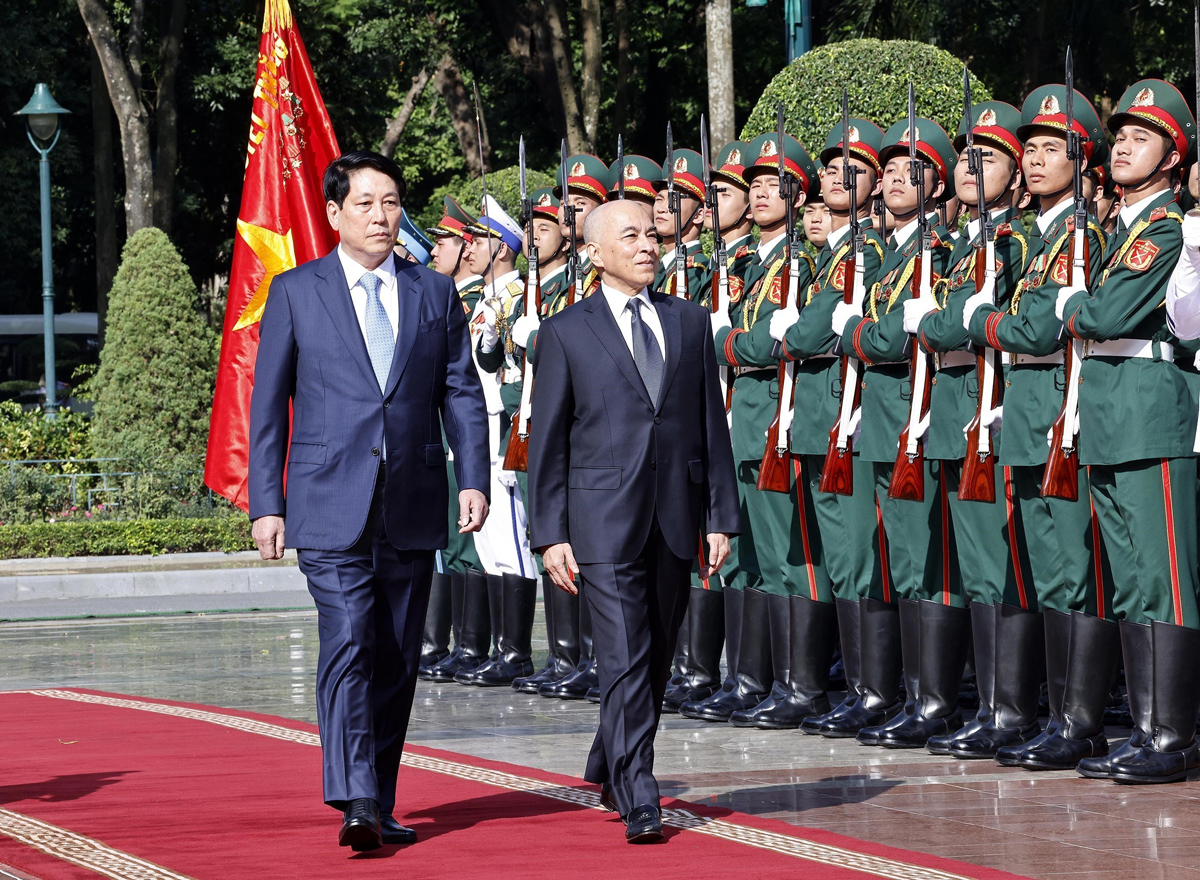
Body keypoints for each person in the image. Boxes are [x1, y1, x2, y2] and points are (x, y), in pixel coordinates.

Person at [248, 150, 490, 850]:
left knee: (396, 657)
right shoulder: (297, 291)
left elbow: (460, 391)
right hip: (327, 501)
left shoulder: (432, 291)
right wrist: (267, 503)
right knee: (351, 638)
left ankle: (378, 800)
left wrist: (472, 478)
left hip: (412, 499)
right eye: (365, 203)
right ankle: (354, 796)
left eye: (390, 202)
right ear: (334, 213)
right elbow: (268, 406)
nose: (381, 216)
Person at [528, 199, 739, 842]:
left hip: (675, 513)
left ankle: (607, 755)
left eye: (652, 234)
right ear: (594, 253)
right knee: (623, 652)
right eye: (631, 236)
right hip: (600, 518)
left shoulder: (689, 321)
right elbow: (548, 444)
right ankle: (638, 789)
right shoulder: (565, 332)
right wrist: (550, 533)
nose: (648, 245)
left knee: (655, 657)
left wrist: (720, 515)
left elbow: (710, 424)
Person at [1056, 80, 1200, 784]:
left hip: (1151, 414)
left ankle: (1172, 736)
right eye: (1120, 136)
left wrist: (1071, 307)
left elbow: (1108, 316)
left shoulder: (1164, 230)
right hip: (1112, 416)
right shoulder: (1121, 232)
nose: (1122, 147)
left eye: (1141, 139)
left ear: (1172, 158)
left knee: (1165, 578)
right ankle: (1146, 730)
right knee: (1134, 582)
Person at [962, 85, 1111, 763]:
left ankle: (1080, 724)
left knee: (1071, 570)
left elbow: (1040, 326)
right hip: (1026, 406)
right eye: (1032, 149)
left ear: (1082, 160)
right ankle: (1057, 718)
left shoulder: (1082, 235)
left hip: (1058, 405)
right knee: (1046, 572)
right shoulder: (1040, 236)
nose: (1036, 160)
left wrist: (984, 321)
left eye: (1053, 148)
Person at [901, 102, 1033, 751]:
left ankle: (1009, 709)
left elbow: (954, 324)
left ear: (1016, 176)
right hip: (955, 406)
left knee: (996, 562)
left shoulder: (1016, 241)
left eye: (989, 156)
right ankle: (983, 705)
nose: (970, 166)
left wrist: (938, 323)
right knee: (969, 564)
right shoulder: (960, 245)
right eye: (965, 156)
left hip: (995, 406)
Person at [771, 118, 889, 740]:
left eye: (856, 168)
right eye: (833, 168)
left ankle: (872, 693)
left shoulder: (863, 252)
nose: (839, 176)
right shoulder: (829, 255)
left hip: (847, 418)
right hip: (819, 419)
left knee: (853, 558)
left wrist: (788, 332)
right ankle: (851, 689)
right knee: (833, 558)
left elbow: (809, 333)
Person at [421, 196, 489, 683]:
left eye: (443, 242)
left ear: (466, 248)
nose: (433, 251)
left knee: (474, 543)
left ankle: (472, 644)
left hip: (478, 426)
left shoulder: (475, 301)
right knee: (449, 539)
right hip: (444, 429)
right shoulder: (449, 298)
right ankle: (447, 643)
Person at [652, 147, 710, 301]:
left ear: (699, 215)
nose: (662, 208)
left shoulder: (696, 270)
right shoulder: (662, 267)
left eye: (674, 200)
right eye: (659, 199)